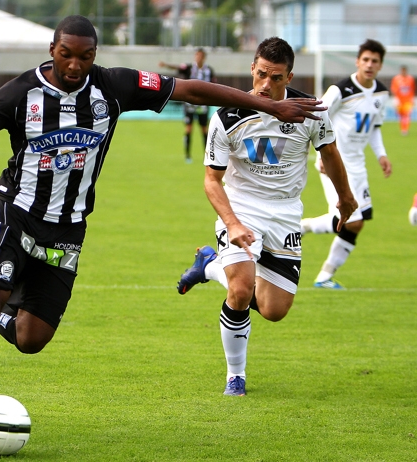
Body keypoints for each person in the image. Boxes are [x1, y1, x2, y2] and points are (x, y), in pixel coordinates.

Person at [0, 16, 326, 444]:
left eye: (85, 56)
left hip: (68, 230)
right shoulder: (19, 95)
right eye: (67, 54)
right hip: (16, 213)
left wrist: (269, 108)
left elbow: (193, 91)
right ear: (53, 49)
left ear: (95, 55)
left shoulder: (116, 86)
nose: (76, 64)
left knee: (32, 339)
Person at [176, 37, 357, 396]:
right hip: (242, 208)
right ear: (251, 70)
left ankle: (208, 264)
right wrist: (232, 223)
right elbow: (212, 181)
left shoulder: (310, 112)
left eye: (276, 78)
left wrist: (346, 198)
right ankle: (235, 376)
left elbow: (331, 153)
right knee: (241, 290)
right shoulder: (227, 116)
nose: (265, 85)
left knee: (275, 310)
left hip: (286, 213)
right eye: (261, 75)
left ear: (289, 77)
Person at [300, 39, 391, 289]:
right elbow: (316, 116)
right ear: (357, 61)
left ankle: (324, 276)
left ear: (381, 65)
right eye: (366, 60)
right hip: (335, 161)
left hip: (358, 165)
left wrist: (381, 155)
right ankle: (300, 228)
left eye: (375, 61)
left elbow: (374, 129)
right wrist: (320, 154)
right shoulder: (341, 90)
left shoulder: (381, 94)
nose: (369, 65)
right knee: (347, 219)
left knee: (357, 223)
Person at [159, 48, 216, 163]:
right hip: (190, 104)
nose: (197, 57)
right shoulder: (190, 68)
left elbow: (214, 85)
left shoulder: (209, 70)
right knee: (189, 129)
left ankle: (206, 155)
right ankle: (187, 155)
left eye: (200, 56)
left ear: (204, 57)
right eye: (196, 55)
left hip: (203, 105)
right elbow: (178, 68)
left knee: (204, 130)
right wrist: (166, 65)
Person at [390, 65, 415, 136]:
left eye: (404, 70)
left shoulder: (410, 79)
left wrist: (412, 99)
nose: (403, 71)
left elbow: (412, 89)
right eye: (402, 70)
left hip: (407, 100)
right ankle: (403, 128)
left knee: (407, 115)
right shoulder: (396, 79)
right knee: (401, 115)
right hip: (399, 100)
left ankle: (405, 130)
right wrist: (395, 99)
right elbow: (393, 89)